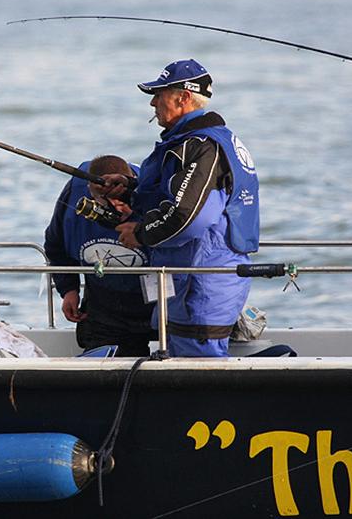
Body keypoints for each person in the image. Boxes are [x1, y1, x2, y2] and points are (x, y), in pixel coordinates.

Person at [107, 59, 260, 357]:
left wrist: (140, 233)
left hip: (201, 282)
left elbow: (188, 217)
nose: (153, 103)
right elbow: (178, 194)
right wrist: (130, 187)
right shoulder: (200, 142)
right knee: (181, 362)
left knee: (198, 369)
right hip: (189, 279)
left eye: (159, 95)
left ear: (184, 98)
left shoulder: (203, 146)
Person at [44, 155, 155, 356]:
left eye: (123, 200)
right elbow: (55, 245)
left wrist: (142, 229)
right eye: (108, 202)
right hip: (104, 302)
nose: (118, 208)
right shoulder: (75, 193)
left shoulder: (154, 192)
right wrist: (68, 289)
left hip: (159, 296)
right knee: (105, 362)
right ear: (90, 192)